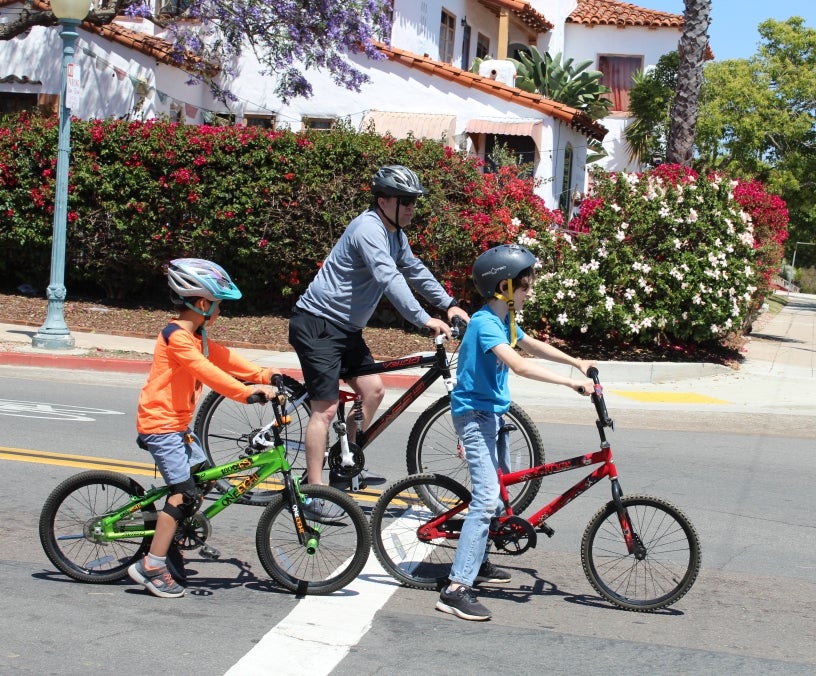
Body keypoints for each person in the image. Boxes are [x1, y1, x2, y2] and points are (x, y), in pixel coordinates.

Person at [289, 165, 470, 516]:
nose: (410, 208)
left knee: (372, 391)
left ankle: (346, 463)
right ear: (383, 200)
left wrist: (449, 304)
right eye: (404, 201)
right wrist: (423, 318)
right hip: (318, 325)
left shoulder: (394, 233)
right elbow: (389, 278)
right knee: (324, 410)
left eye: (414, 202)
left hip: (346, 330)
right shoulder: (368, 229)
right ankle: (313, 494)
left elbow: (414, 270)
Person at [436, 244, 596, 621]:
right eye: (524, 286)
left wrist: (576, 362)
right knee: (487, 495)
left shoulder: (504, 318)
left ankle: (479, 560)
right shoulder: (483, 323)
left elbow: (529, 344)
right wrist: (570, 384)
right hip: (473, 417)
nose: (529, 291)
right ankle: (456, 588)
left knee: (498, 492)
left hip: (493, 415)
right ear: (503, 286)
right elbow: (519, 365)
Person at [129, 258, 279, 598]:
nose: (219, 311)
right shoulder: (176, 337)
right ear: (202, 303)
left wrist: (265, 375)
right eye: (218, 305)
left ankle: (170, 540)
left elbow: (224, 359)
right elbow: (206, 371)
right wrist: (246, 392)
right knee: (183, 495)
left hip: (177, 426)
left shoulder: (197, 335)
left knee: (204, 481)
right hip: (161, 426)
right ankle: (151, 566)